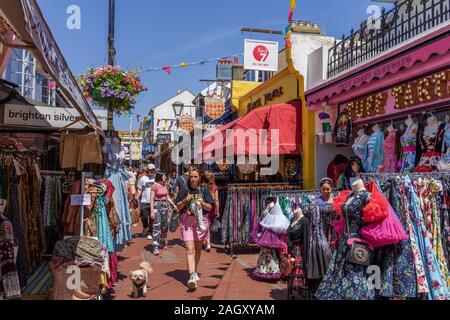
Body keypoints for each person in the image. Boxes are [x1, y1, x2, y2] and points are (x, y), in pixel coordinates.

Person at [175, 168, 214, 290]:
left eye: (195, 176)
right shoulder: (184, 190)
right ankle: (191, 275)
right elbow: (177, 206)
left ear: (199, 177)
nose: (193, 179)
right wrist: (184, 200)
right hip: (187, 222)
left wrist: (202, 203)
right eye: (191, 176)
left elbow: (209, 208)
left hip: (200, 222)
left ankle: (195, 271)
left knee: (197, 249)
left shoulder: (204, 189)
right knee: (189, 249)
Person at [150, 172, 178, 255]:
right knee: (156, 225)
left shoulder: (165, 185)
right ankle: (155, 245)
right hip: (157, 205)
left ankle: (162, 239)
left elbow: (167, 196)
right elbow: (151, 199)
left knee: (165, 225)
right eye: (164, 176)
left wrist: (173, 205)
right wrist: (152, 210)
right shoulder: (154, 186)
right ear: (160, 177)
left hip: (165, 206)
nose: (165, 177)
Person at [136, 164, 156, 240]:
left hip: (154, 201)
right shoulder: (143, 178)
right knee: (144, 217)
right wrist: (136, 198)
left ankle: (150, 232)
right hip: (144, 201)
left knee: (152, 218)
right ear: (147, 170)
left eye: (153, 169)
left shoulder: (156, 178)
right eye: (150, 170)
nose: (152, 171)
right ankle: (145, 226)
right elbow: (139, 189)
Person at [202, 170, 220, 252]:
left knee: (206, 226)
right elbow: (216, 200)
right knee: (209, 226)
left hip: (205, 208)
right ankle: (207, 242)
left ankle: (208, 243)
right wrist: (218, 211)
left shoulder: (202, 187)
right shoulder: (215, 187)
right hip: (213, 209)